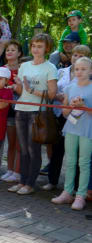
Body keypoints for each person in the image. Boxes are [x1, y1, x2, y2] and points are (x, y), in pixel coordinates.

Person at [8, 34, 57, 195]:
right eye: (34, 45)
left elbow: (51, 94)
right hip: (21, 110)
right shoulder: (24, 66)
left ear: (47, 49)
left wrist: (31, 89)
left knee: (33, 149)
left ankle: (30, 184)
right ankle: (22, 181)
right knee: (23, 149)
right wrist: (16, 86)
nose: (36, 49)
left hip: (38, 113)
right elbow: (22, 91)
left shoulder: (50, 68)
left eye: (40, 46)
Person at [41, 45, 91, 191]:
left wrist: (80, 104)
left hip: (84, 123)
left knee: (81, 158)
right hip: (63, 118)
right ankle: (54, 181)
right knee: (58, 151)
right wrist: (62, 98)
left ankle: (77, 189)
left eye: (81, 56)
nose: (77, 58)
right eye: (75, 55)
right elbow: (54, 92)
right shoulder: (62, 72)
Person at [51, 57, 92, 210]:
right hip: (71, 128)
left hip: (87, 131)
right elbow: (65, 113)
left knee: (84, 162)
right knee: (70, 161)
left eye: (83, 69)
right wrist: (72, 106)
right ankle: (67, 192)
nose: (79, 72)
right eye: (77, 69)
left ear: (90, 71)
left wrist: (84, 106)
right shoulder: (69, 88)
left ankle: (80, 195)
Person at [1, 40, 23, 183]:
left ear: (19, 53)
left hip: (21, 108)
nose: (9, 52)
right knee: (11, 141)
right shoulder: (2, 69)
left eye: (13, 50)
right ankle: (9, 170)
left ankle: (17, 171)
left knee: (19, 144)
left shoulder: (24, 68)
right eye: (7, 50)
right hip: (6, 109)